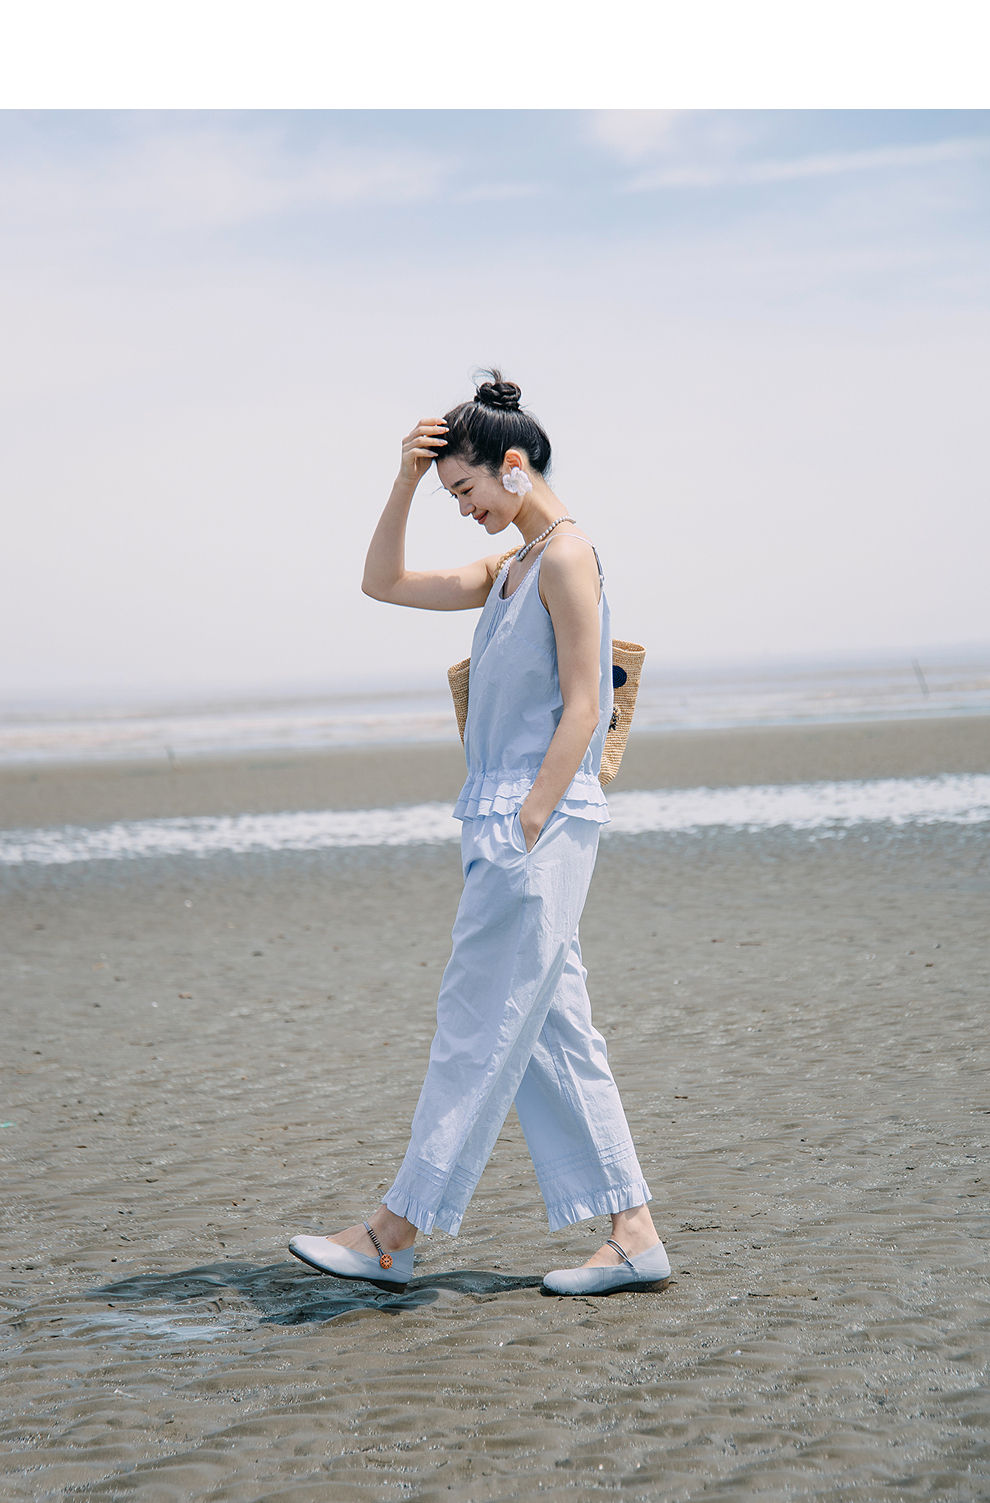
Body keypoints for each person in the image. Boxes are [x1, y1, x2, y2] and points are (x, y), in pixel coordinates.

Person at [289, 369, 670, 1296]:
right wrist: (404, 480)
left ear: (514, 464)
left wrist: (530, 818)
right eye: (451, 494)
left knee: (476, 1023)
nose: (464, 509)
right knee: (553, 1035)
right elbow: (381, 582)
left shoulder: (567, 556)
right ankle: (634, 1234)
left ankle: (393, 1232)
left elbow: (585, 705)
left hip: (534, 820)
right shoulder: (510, 568)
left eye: (466, 489)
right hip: (505, 817)